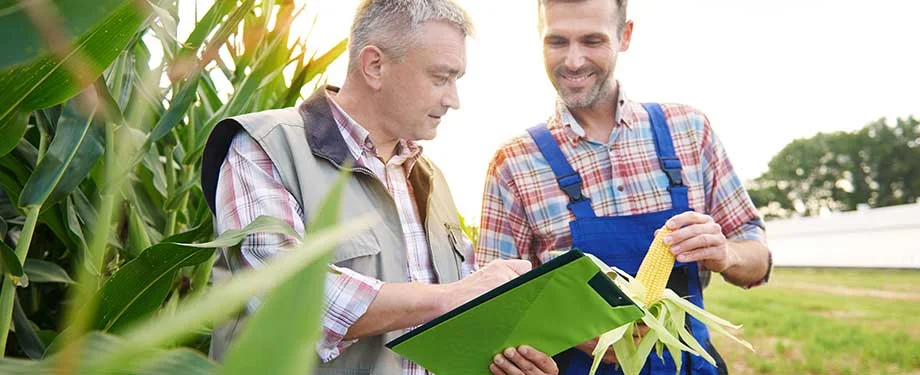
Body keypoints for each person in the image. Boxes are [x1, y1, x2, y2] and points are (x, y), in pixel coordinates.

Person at [200, 1, 558, 374]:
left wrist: (506, 360)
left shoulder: (433, 182)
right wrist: (448, 298)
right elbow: (285, 297)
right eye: (440, 78)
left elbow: (460, 327)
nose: (453, 100)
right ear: (375, 66)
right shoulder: (265, 147)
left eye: (456, 80)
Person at [477, 0, 772, 374]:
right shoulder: (514, 163)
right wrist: (573, 331)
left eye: (592, 40)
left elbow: (758, 258)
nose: (573, 60)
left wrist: (726, 253)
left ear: (624, 36)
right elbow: (491, 306)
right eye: (557, 42)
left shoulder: (689, 130)